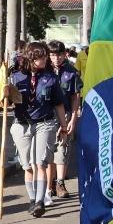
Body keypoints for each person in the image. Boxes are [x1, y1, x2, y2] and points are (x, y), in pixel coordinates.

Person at [6, 42, 68, 217]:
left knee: (41, 162)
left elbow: (58, 104)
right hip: (21, 124)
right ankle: (32, 200)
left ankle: (40, 201)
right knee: (27, 166)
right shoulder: (16, 77)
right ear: (31, 57)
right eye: (41, 56)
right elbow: (7, 103)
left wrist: (63, 127)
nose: (45, 59)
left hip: (44, 123)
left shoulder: (51, 78)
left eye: (45, 56)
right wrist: (5, 95)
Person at [47, 40, 82, 199]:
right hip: (46, 116)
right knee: (48, 152)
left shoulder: (71, 72)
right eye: (52, 55)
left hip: (66, 114)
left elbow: (75, 97)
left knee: (63, 150)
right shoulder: (44, 70)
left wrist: (73, 119)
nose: (56, 58)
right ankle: (49, 185)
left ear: (65, 54)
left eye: (59, 55)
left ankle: (60, 183)